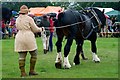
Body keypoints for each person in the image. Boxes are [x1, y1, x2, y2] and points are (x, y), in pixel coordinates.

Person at [14, 5, 44, 77]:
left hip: (19, 37)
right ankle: (31, 70)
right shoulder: (29, 19)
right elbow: (35, 29)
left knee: (22, 56)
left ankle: (23, 73)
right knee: (34, 54)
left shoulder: (17, 19)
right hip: (28, 37)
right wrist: (41, 29)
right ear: (27, 12)